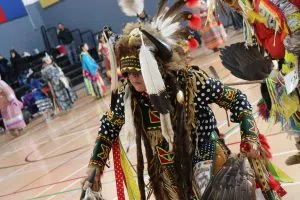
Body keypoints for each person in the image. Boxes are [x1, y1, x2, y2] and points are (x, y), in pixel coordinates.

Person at [82, 1, 287, 199]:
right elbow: (109, 127)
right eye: (127, 73)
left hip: (204, 155)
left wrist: (249, 136)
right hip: (164, 171)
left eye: (139, 71)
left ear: (156, 69)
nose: (133, 78)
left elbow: (237, 100)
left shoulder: (190, 83)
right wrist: (95, 165)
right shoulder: (129, 97)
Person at [217, 0, 300, 165]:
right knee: (287, 102)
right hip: (285, 60)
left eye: (231, 1)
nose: (231, 5)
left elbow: (294, 21)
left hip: (294, 54)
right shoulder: (250, 10)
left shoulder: (263, 3)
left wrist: (291, 58)